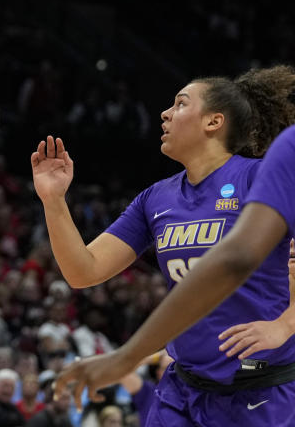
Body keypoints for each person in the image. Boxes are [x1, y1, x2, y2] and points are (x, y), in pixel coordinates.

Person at [35, 68, 295, 423]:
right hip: (182, 391)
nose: (165, 113)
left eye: (181, 104)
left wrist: (286, 323)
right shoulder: (155, 198)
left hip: (260, 389)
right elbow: (84, 271)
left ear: (214, 121)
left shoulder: (259, 175)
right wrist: (53, 201)